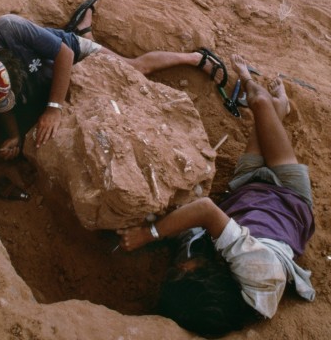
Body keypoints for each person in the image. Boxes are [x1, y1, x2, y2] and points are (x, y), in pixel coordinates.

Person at [117, 54, 315, 337]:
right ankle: (253, 82)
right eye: (185, 272)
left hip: (244, 193)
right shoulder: (258, 272)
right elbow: (205, 210)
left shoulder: (228, 301)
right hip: (286, 196)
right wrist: (147, 234)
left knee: (265, 121)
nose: (181, 266)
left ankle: (277, 112)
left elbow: (191, 230)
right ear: (210, 281)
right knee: (259, 103)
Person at [0, 0, 228, 161]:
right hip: (43, 75)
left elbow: (64, 54)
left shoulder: (10, 27)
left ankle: (194, 57)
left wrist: (54, 109)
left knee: (133, 70)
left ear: (13, 67)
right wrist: (14, 136)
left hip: (69, 53)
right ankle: (84, 29)